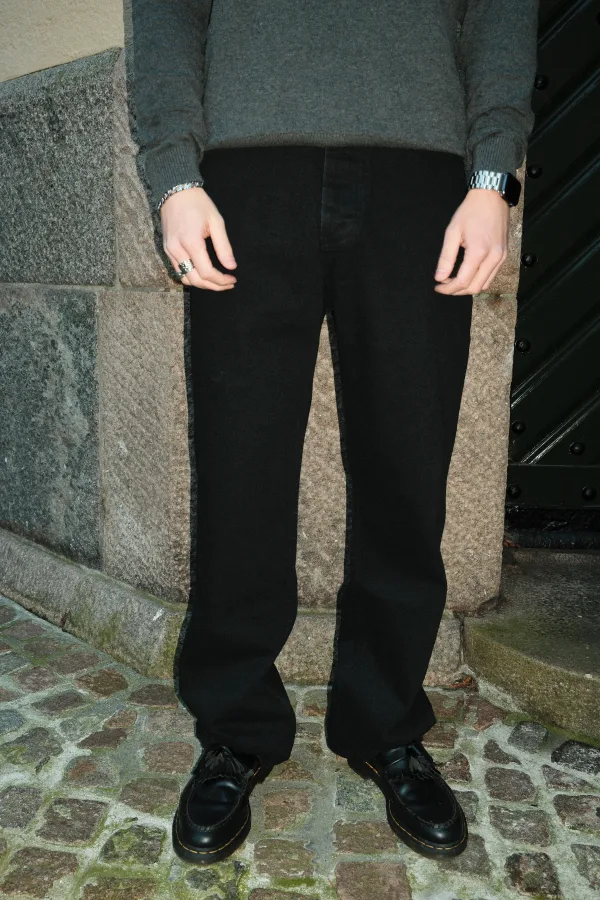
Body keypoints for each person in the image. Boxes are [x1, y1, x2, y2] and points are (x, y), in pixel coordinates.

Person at [130, 0, 539, 866]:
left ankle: (385, 724)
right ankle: (236, 727)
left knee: (407, 467)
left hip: (425, 176)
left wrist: (493, 176)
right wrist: (172, 175)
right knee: (240, 471)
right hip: (243, 173)